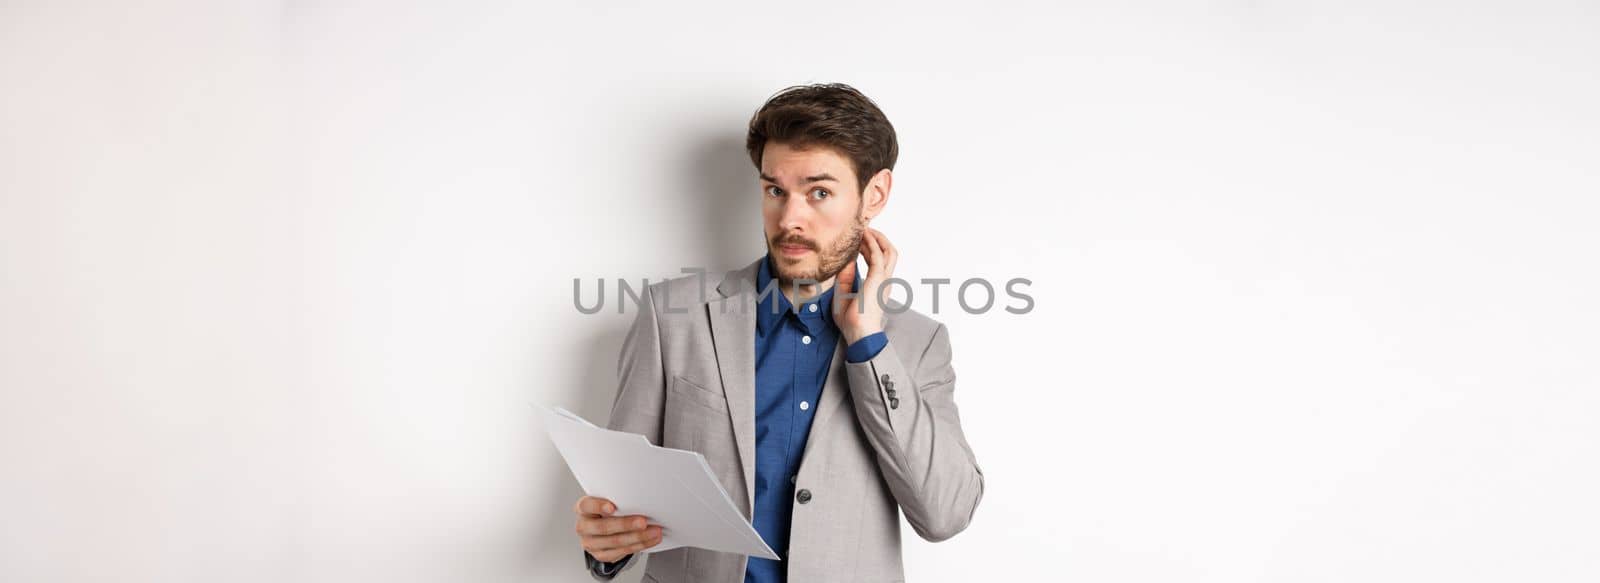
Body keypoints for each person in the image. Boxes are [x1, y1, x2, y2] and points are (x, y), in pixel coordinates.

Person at [571, 83, 983, 582]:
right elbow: (621, 502)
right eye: (775, 190)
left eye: (820, 193)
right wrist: (608, 545)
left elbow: (945, 514)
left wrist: (869, 343)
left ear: (873, 195)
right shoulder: (671, 317)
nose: (790, 219)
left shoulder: (919, 344)